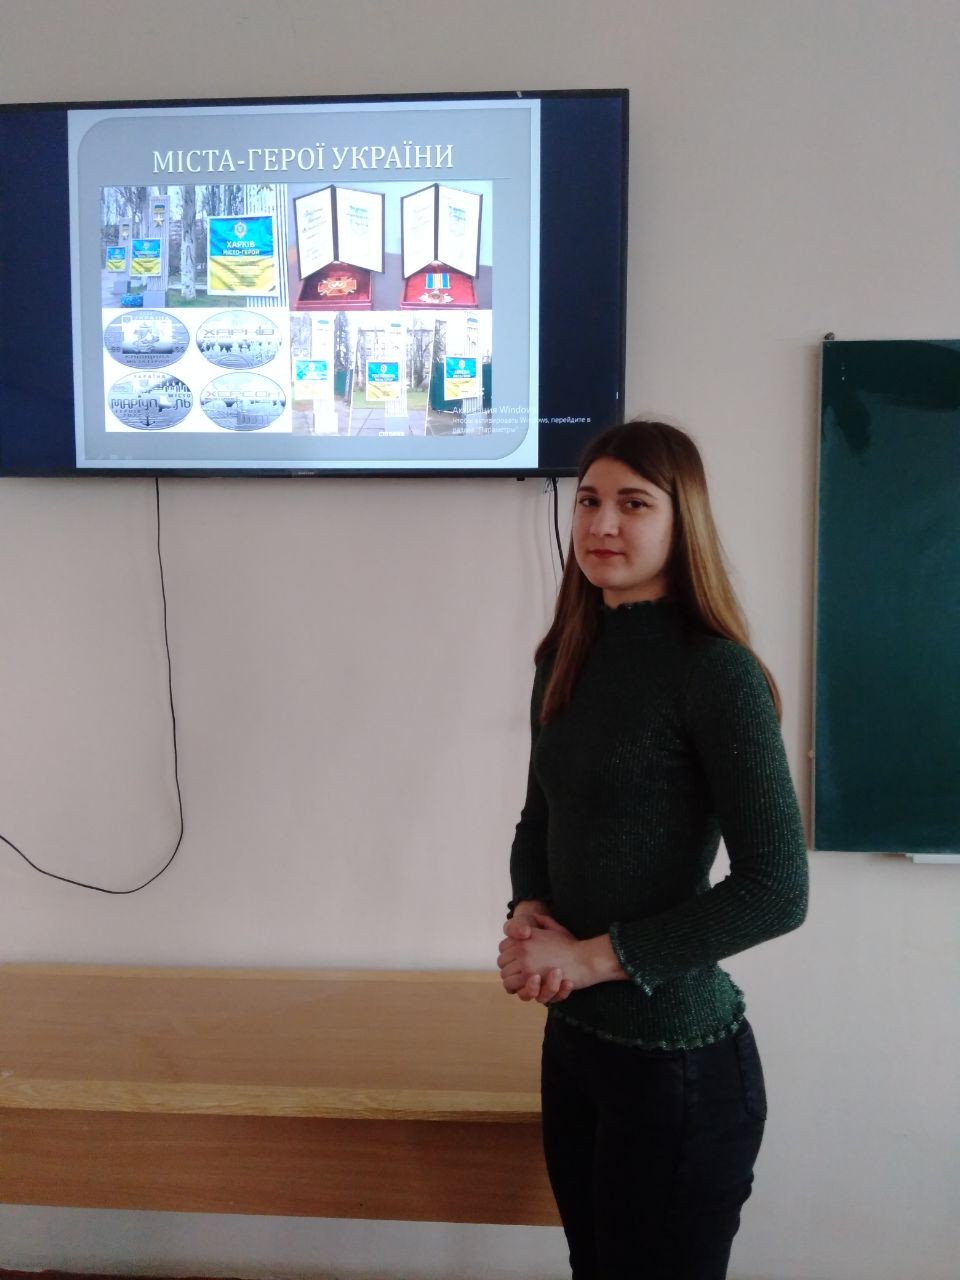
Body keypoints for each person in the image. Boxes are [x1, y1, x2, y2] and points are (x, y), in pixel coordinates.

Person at [498, 420, 808, 1280]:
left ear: (683, 521)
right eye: (589, 501)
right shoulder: (566, 656)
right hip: (576, 1047)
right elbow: (540, 820)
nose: (602, 524)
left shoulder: (717, 673)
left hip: (679, 1069)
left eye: (633, 504)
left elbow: (778, 889)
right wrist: (529, 914)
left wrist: (589, 958)